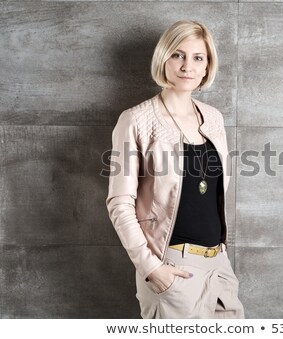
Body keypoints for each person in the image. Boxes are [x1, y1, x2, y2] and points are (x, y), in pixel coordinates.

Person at [106, 20, 244, 319]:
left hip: (218, 266)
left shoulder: (213, 118)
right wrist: (151, 267)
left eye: (198, 58)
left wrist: (220, 260)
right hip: (173, 267)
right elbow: (120, 203)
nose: (187, 66)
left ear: (207, 66)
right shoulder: (136, 120)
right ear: (163, 59)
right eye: (177, 55)